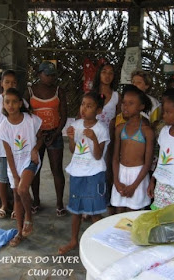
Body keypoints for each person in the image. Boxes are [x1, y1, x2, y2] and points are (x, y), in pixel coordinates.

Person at [58, 91, 109, 255]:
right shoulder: (77, 125)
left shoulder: (101, 129)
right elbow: (73, 151)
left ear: (98, 110)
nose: (84, 109)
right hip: (77, 173)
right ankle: (74, 240)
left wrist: (94, 138)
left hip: (94, 174)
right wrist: (72, 138)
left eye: (89, 106)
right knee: (76, 209)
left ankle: (101, 242)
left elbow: (98, 155)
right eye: (82, 105)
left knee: (94, 211)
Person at [0, 88, 43, 247]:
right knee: (17, 196)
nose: (10, 105)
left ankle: (29, 218)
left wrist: (36, 149)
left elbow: (41, 136)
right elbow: (8, 153)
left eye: (14, 101)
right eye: (7, 102)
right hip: (14, 164)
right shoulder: (3, 127)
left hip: (30, 160)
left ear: (20, 103)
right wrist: (14, 174)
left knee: (22, 189)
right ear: (3, 104)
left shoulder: (30, 119)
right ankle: (19, 232)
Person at [25, 61, 67, 217]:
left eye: (53, 75)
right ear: (39, 74)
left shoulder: (58, 91)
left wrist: (55, 134)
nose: (51, 78)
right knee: (35, 170)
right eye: (47, 75)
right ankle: (36, 201)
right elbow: (24, 113)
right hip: (35, 137)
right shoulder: (29, 91)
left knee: (57, 170)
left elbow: (63, 115)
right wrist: (36, 134)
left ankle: (59, 203)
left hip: (54, 134)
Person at [0, 69, 27, 218]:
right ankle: (4, 204)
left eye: (13, 82)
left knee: (18, 176)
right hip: (1, 148)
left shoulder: (22, 102)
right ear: (1, 84)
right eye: (7, 82)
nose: (10, 84)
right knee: (2, 177)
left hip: (18, 148)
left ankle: (18, 205)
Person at [111, 85, 154, 213]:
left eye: (131, 103)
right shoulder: (120, 128)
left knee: (133, 213)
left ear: (141, 107)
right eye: (124, 103)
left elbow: (148, 163)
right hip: (121, 174)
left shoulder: (147, 131)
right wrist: (116, 181)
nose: (125, 106)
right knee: (119, 211)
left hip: (138, 176)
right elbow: (114, 158)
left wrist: (134, 186)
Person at [92, 62, 121, 216]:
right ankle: (92, 204)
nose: (107, 75)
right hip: (93, 139)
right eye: (104, 72)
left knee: (108, 172)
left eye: (111, 72)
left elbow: (119, 118)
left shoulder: (117, 96)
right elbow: (83, 114)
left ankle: (108, 202)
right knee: (93, 171)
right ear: (99, 74)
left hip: (110, 139)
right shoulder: (92, 93)